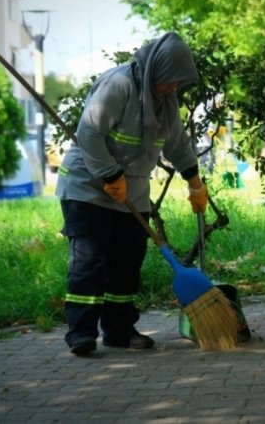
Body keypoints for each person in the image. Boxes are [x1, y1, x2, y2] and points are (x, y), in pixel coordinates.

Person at [56, 32, 208, 355]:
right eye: (170, 81)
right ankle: (81, 333)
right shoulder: (120, 85)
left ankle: (119, 331)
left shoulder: (165, 101)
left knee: (127, 263)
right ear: (158, 69)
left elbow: (177, 144)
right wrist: (110, 174)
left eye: (178, 84)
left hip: (132, 195)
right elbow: (89, 132)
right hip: (88, 188)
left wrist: (195, 182)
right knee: (90, 262)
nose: (173, 88)